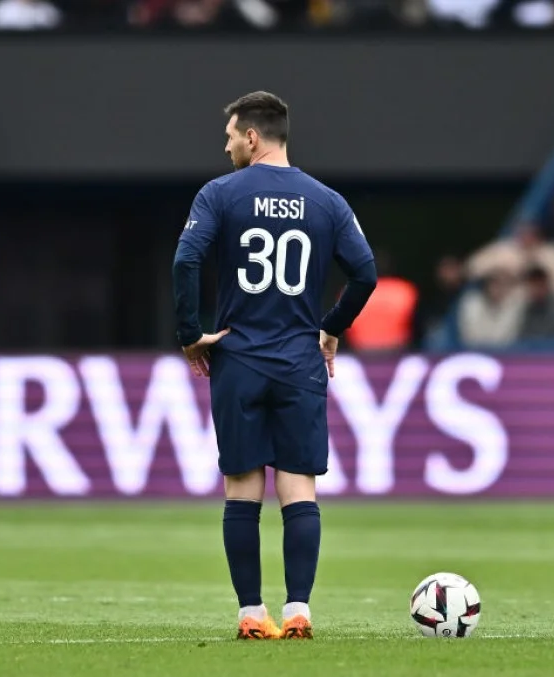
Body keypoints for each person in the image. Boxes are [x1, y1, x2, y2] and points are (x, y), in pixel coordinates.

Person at [172, 91, 377, 641]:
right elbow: (365, 273)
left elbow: (186, 259)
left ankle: (250, 614)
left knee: (242, 488)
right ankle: (298, 611)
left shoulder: (219, 194)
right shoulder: (327, 201)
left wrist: (190, 334)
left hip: (238, 358)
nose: (226, 147)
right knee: (299, 488)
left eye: (230, 136)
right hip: (298, 360)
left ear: (252, 137)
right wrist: (331, 327)